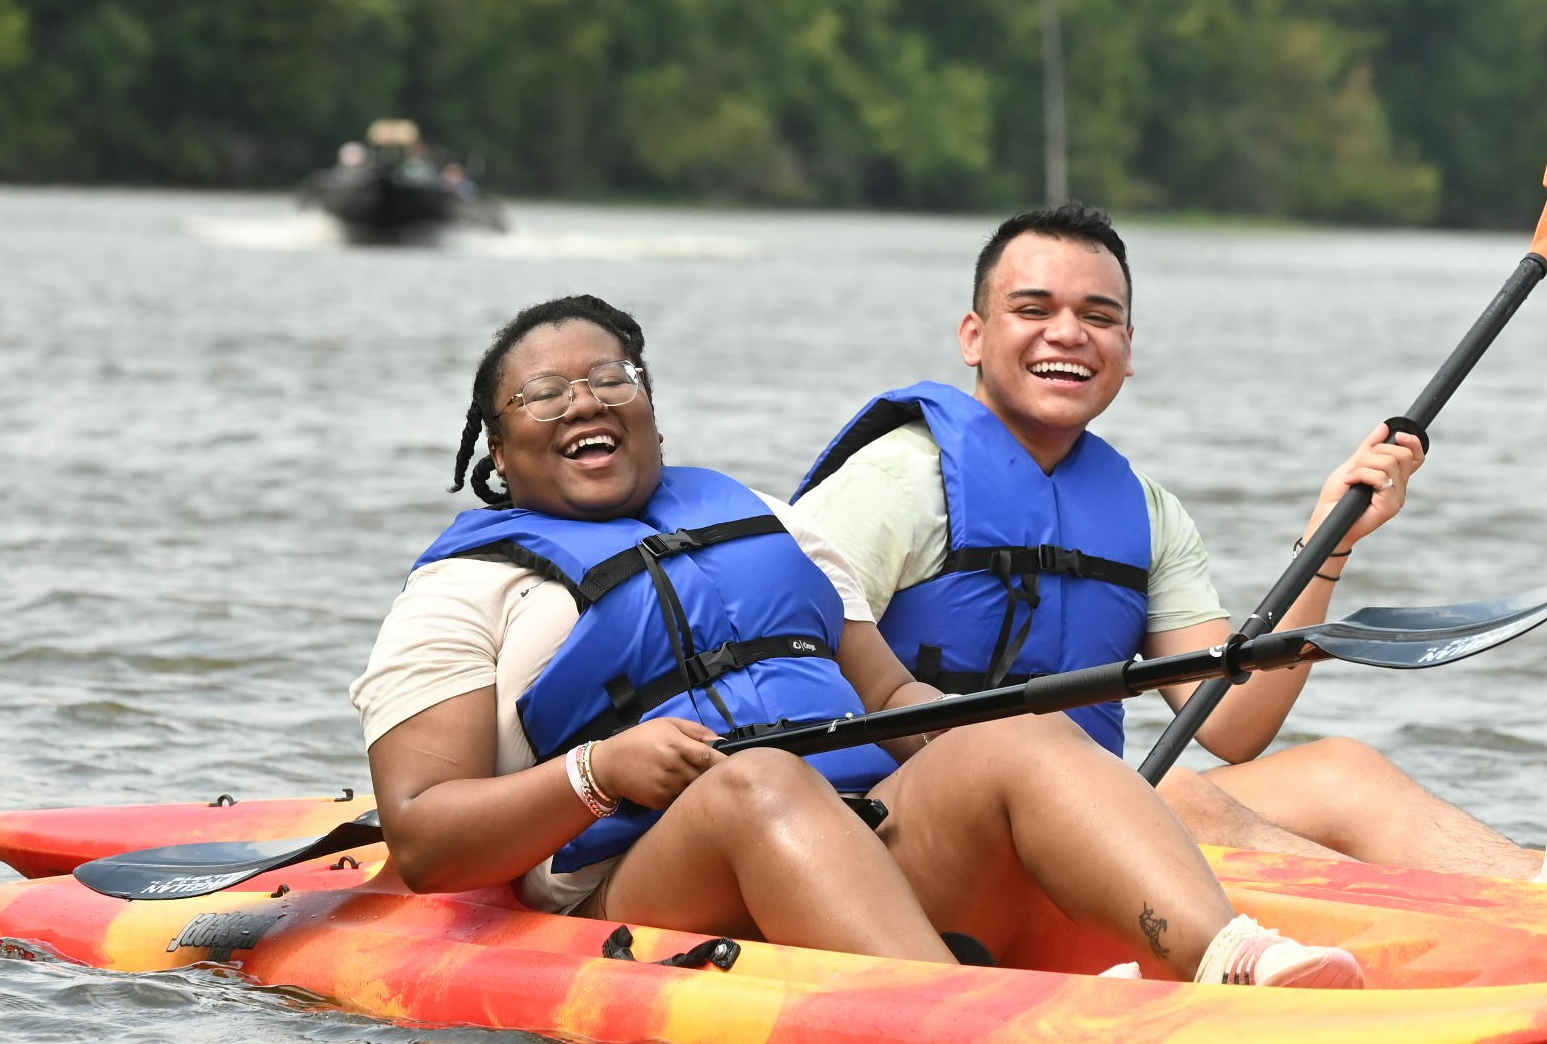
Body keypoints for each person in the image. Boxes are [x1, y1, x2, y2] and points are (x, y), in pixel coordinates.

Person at [350, 292, 1368, 988]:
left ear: (652, 407)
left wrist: (994, 737)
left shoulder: (766, 524)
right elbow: (425, 836)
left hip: (862, 836)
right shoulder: (465, 590)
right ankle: (955, 1016)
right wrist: (597, 773)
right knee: (758, 783)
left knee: (1014, 730)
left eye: (612, 376)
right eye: (543, 393)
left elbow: (886, 699)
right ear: (496, 448)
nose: (584, 400)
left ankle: (1234, 958)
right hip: (641, 889)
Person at [789, 204, 1547, 905]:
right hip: (890, 834)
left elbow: (1234, 724)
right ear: (974, 335)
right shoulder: (901, 479)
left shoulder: (1142, 512)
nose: (1068, 334)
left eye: (1100, 316)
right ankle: (1475, 924)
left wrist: (1328, 540)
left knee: (1339, 769)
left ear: (1129, 344)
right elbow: (778, 639)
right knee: (1172, 797)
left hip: (1073, 822)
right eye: (1034, 309)